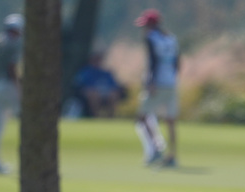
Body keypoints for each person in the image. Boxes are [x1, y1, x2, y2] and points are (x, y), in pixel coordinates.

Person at [134, 9, 180, 167]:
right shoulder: (171, 38)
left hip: (157, 83)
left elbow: (152, 61)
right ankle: (172, 155)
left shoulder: (150, 38)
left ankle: (156, 148)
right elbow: (177, 63)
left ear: (151, 24)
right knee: (170, 120)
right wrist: (173, 78)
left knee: (142, 116)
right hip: (171, 83)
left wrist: (150, 82)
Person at [0, 14, 24, 174]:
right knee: (25, 121)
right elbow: (12, 68)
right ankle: (28, 161)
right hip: (8, 85)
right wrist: (19, 89)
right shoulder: (13, 44)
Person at [74, 51, 124, 117]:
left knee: (113, 94)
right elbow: (78, 84)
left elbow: (115, 86)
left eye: (99, 60)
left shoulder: (106, 73)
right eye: (95, 60)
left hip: (106, 93)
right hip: (92, 93)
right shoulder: (85, 72)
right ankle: (96, 117)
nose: (97, 62)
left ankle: (111, 117)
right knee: (93, 94)